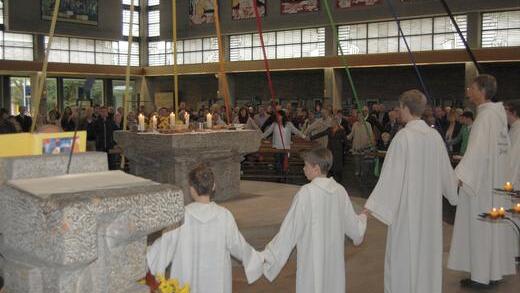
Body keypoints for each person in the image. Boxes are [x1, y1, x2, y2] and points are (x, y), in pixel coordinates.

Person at [364, 89, 459, 293]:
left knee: (403, 257)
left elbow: (390, 177)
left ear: (405, 108)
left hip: (406, 213)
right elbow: (446, 174)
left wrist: (371, 207)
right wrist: (453, 190)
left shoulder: (403, 137)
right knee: (426, 257)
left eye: (399, 108)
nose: (398, 112)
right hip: (430, 214)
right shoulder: (434, 136)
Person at [262, 147, 367, 293]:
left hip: (312, 262)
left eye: (306, 165)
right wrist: (362, 218)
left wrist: (269, 257)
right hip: (333, 262)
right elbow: (354, 230)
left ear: (316, 168)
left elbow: (290, 230)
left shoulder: (306, 193)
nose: (303, 169)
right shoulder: (340, 191)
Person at [147, 164, 263, 293]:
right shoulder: (224, 216)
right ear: (214, 186)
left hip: (185, 287)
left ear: (191, 189)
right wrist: (259, 258)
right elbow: (240, 247)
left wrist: (143, 257)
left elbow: (162, 248)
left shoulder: (179, 218)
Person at [448, 74, 516, 288]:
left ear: (481, 90)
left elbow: (476, 153)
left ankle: (480, 276)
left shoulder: (485, 118)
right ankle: (493, 272)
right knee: (493, 230)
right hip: (494, 183)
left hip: (482, 187)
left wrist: (458, 177)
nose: (469, 90)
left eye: (472, 87)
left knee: (480, 228)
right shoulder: (497, 117)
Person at [310, 119, 346, 183]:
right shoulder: (329, 129)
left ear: (336, 123)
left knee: (337, 167)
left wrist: (345, 149)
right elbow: (321, 134)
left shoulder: (341, 131)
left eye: (333, 122)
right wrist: (312, 137)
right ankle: (330, 180)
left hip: (338, 151)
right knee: (330, 165)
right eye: (331, 122)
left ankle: (338, 181)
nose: (331, 123)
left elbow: (345, 141)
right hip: (330, 149)